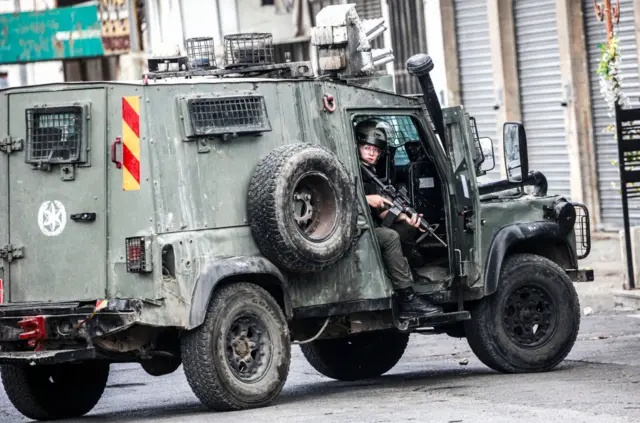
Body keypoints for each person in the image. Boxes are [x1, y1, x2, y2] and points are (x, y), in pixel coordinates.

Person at [355, 118, 443, 319]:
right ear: (358, 146)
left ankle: (408, 275)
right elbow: (340, 199)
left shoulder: (371, 172)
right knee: (389, 237)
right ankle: (407, 298)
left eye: (376, 150)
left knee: (406, 229)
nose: (372, 153)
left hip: (369, 224)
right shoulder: (351, 168)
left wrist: (405, 217)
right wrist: (368, 199)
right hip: (352, 228)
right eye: (367, 148)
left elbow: (383, 212)